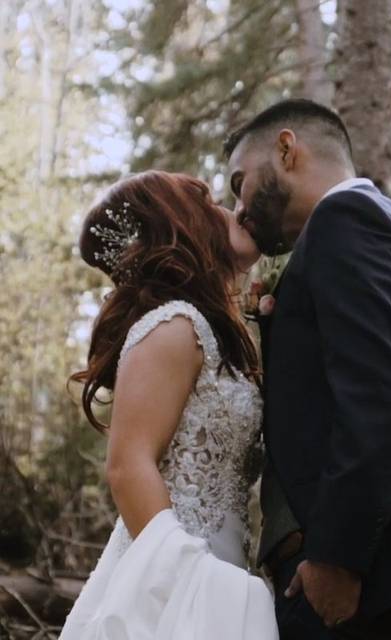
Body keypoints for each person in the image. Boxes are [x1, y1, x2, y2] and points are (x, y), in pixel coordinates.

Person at [224, 98, 391, 639]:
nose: (238, 208)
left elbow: (377, 398)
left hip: (352, 591)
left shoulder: (345, 220)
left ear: (287, 149)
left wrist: (339, 557)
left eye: (239, 182)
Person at [60, 170, 279, 640]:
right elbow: (127, 463)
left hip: (222, 567)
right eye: (206, 200)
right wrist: (189, 583)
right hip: (172, 587)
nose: (227, 208)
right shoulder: (174, 326)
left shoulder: (210, 333)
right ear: (179, 223)